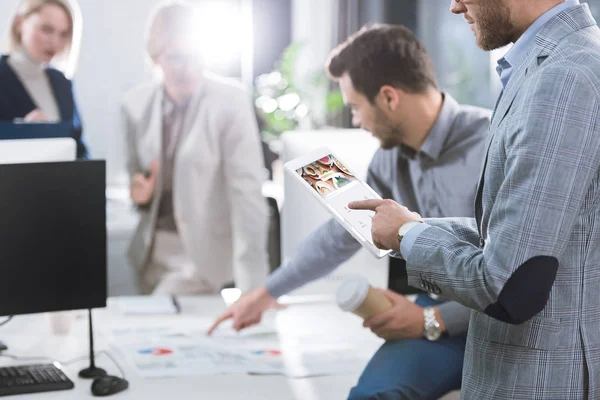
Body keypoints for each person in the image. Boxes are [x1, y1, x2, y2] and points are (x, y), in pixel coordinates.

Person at [209, 24, 491, 399]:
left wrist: (431, 320)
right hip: (439, 310)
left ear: (389, 98)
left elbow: (517, 271)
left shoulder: (495, 143)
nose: (356, 120)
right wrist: (264, 294)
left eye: (356, 107)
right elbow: (338, 236)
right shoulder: (389, 160)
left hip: (498, 320)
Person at [350, 1, 600, 398]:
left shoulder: (563, 77)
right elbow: (527, 236)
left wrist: (408, 237)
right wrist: (411, 226)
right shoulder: (545, 67)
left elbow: (509, 283)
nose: (455, 6)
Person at [122, 1, 269, 295]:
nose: (189, 68)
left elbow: (248, 193)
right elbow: (136, 178)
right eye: (176, 57)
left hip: (201, 257)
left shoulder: (230, 101)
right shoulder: (135, 104)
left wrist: (254, 287)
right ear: (155, 57)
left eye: (197, 56)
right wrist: (139, 194)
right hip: (149, 255)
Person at [0, 0, 88, 159]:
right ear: (19, 23)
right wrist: (19, 134)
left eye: (63, 34)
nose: (55, 42)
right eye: (47, 30)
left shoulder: (62, 83)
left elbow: (80, 149)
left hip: (61, 182)